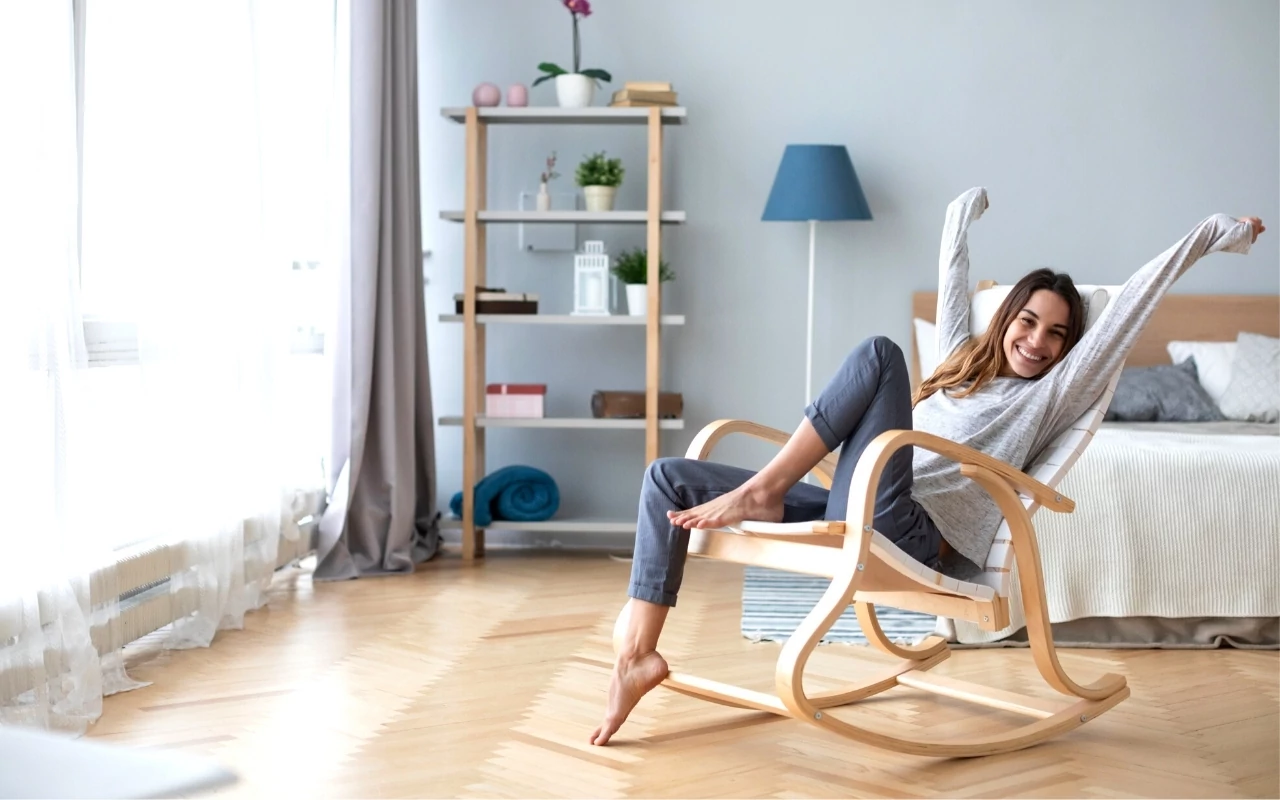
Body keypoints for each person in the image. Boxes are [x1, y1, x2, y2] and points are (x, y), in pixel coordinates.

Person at [589, 187, 1264, 746]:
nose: (1038, 341)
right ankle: (637, 656)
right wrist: (958, 219)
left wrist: (1214, 234)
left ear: (1069, 351)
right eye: (1028, 321)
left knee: (879, 355)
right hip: (863, 507)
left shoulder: (1052, 395)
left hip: (913, 534)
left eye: (1057, 334)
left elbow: (1135, 300)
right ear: (1005, 320)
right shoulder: (959, 368)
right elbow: (953, 288)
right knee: (666, 478)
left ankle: (765, 488)